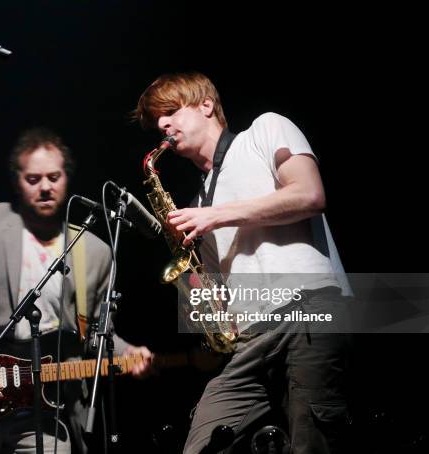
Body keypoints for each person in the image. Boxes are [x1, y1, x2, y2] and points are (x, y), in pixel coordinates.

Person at [135, 72, 352, 453]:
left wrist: (216, 215)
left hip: (309, 307)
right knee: (199, 445)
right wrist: (194, 290)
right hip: (250, 336)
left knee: (312, 443)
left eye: (170, 111)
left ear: (206, 105)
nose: (163, 124)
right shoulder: (200, 202)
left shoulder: (265, 130)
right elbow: (215, 290)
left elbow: (310, 194)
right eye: (157, 121)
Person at [0, 127, 153, 454]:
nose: (45, 188)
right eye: (33, 179)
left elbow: (97, 334)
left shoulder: (95, 252)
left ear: (67, 179)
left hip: (47, 411)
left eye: (54, 177)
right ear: (17, 181)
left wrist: (127, 353)